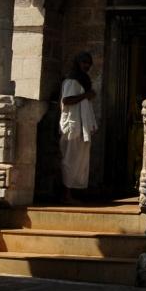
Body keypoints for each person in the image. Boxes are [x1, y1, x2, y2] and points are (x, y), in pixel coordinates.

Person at [59, 51, 98, 203]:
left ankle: (75, 193)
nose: (86, 66)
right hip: (72, 127)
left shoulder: (82, 81)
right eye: (84, 62)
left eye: (88, 63)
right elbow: (67, 100)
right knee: (69, 160)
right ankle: (66, 195)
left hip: (81, 127)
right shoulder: (71, 81)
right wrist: (85, 96)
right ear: (77, 63)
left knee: (79, 161)